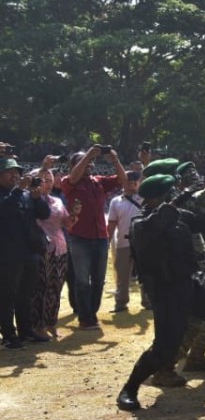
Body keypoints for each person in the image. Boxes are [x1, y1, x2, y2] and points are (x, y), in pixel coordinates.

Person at [117, 175, 205, 411]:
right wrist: (178, 201)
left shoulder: (178, 217)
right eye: (170, 193)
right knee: (164, 349)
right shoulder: (141, 224)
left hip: (189, 285)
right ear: (156, 198)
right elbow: (158, 224)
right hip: (165, 293)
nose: (176, 195)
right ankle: (129, 389)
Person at [63, 144, 127, 330]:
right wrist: (89, 152)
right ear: (74, 165)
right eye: (84, 162)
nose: (89, 164)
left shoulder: (98, 181)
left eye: (91, 162)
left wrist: (115, 159)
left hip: (100, 237)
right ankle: (85, 317)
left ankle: (92, 312)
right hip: (79, 238)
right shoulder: (69, 182)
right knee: (82, 280)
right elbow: (75, 175)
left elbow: (123, 180)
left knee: (99, 279)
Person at [0, 159, 51, 349]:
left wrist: (37, 198)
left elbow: (44, 214)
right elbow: (4, 210)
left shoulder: (25, 195)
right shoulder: (13, 194)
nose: (14, 176)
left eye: (17, 172)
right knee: (7, 295)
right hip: (7, 254)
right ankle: (8, 334)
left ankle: (25, 330)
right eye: (8, 172)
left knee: (26, 293)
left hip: (29, 252)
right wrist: (19, 190)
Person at [31, 171, 71, 340]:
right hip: (41, 248)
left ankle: (51, 322)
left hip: (60, 247)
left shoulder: (58, 200)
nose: (47, 184)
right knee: (41, 288)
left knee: (56, 287)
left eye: (50, 181)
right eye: (43, 181)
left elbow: (66, 223)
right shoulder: (31, 200)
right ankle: (37, 325)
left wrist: (75, 215)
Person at [107, 171, 143, 313]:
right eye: (129, 180)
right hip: (123, 242)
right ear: (123, 182)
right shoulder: (116, 201)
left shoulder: (144, 198)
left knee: (145, 274)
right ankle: (120, 302)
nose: (132, 183)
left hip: (142, 242)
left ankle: (148, 301)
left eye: (135, 181)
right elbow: (111, 224)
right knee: (122, 274)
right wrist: (107, 241)